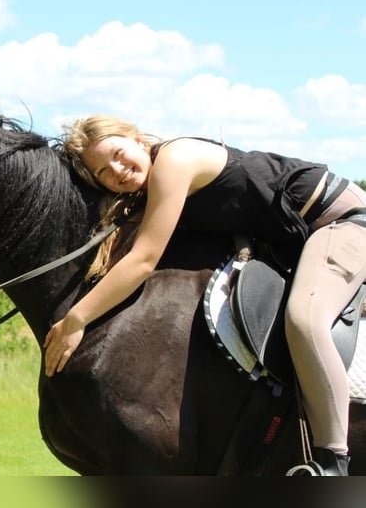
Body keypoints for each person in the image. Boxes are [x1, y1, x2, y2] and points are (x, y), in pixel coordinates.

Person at [45, 114, 366, 476]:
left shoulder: (174, 161)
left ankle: (331, 462)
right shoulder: (152, 187)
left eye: (118, 153)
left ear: (136, 139)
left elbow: (143, 260)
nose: (117, 169)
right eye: (103, 171)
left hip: (345, 222)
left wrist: (77, 318)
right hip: (297, 238)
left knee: (305, 319)